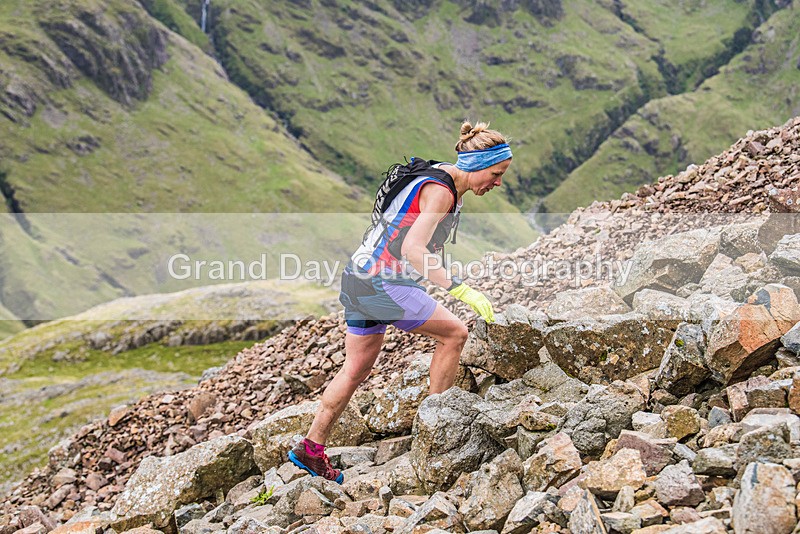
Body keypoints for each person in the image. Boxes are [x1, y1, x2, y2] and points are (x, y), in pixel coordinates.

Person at [287, 121, 513, 483]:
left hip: (357, 276)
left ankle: (310, 449)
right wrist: (461, 289)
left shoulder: (438, 170)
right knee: (454, 335)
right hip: (382, 283)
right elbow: (413, 249)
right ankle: (435, 435)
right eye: (496, 173)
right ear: (475, 166)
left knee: (355, 370)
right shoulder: (441, 192)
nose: (498, 182)